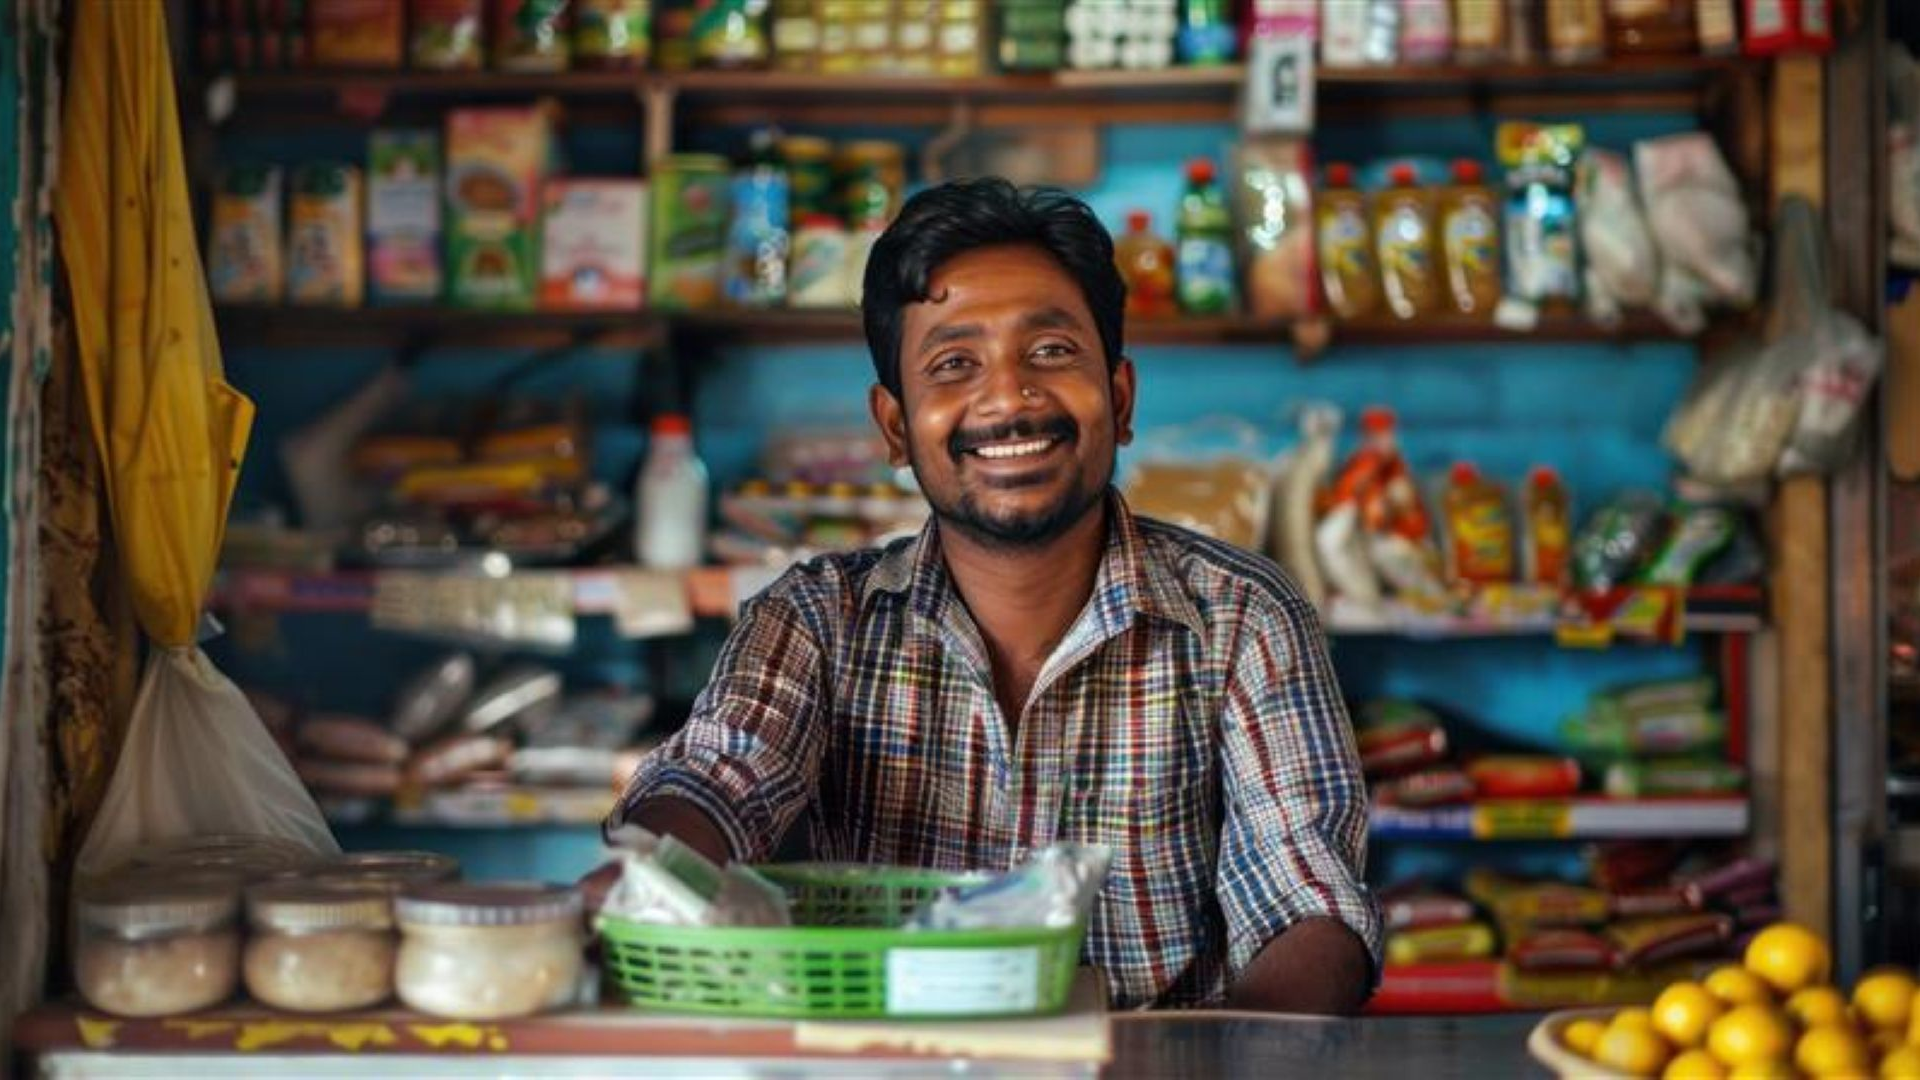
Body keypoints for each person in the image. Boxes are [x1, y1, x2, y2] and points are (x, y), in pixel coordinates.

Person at [601, 178, 1380, 1013]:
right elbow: (717, 777)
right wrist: (648, 871)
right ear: (897, 427)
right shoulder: (818, 619)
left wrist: (1225, 1061)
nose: (1009, 398)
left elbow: (1310, 903)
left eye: (1050, 352)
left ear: (1119, 400)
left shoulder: (1244, 616)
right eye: (953, 364)